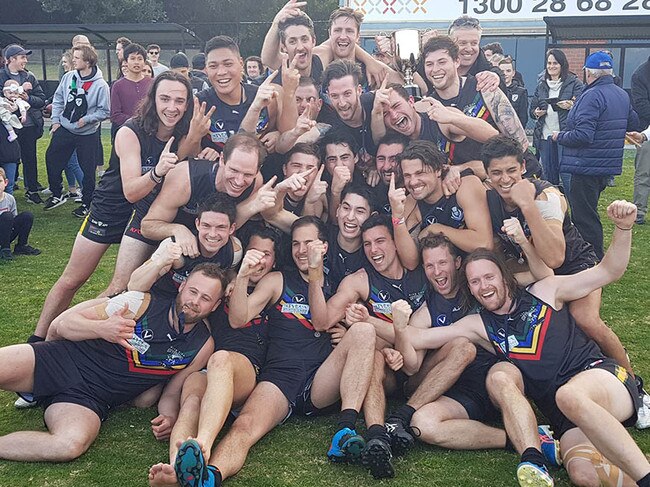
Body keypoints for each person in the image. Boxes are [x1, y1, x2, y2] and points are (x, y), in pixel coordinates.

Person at [394, 201, 650, 487]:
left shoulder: (545, 291)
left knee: (570, 395)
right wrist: (399, 324)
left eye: (489, 277)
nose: (483, 286)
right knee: (583, 474)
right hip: (563, 416)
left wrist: (623, 228)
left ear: (505, 277)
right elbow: (419, 337)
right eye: (475, 282)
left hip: (601, 378)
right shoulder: (479, 325)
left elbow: (608, 272)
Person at [170, 217, 378, 486]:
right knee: (245, 426)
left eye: (309, 243)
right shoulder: (278, 280)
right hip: (280, 377)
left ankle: (344, 430)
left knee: (363, 331)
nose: (302, 250)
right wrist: (242, 276)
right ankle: (210, 475)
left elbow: (322, 320)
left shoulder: (339, 282)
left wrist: (325, 291)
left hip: (322, 377)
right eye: (296, 244)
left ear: (324, 246)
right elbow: (238, 318)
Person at [481, 134, 649, 429]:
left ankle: (635, 388)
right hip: (535, 273)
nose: (504, 178)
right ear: (488, 174)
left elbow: (556, 256)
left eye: (510, 170)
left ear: (523, 167)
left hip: (575, 267)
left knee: (584, 318)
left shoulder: (547, 196)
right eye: (496, 172)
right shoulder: (490, 199)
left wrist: (527, 206)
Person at [29, 72, 194, 347]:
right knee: (72, 279)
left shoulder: (184, 134)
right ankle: (38, 338)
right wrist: (158, 171)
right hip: (111, 207)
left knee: (123, 288)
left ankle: (75, 335)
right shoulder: (131, 131)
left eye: (180, 100)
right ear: (152, 99)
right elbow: (130, 191)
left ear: (188, 104)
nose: (172, 107)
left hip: (148, 215)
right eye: (165, 98)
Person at [0, 263, 225, 462]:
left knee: (69, 445)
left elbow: (172, 392)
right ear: (182, 286)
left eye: (205, 298)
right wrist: (102, 329)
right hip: (59, 360)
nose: (194, 302)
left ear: (215, 306)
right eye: (193, 291)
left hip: (90, 397)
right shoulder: (141, 303)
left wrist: (168, 416)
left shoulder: (203, 345)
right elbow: (63, 325)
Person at [147, 225, 279, 487]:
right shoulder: (221, 285)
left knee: (220, 359)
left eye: (267, 254)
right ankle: (178, 469)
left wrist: (239, 278)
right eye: (254, 251)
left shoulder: (272, 284)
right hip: (211, 368)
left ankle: (202, 446)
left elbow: (240, 318)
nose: (259, 260)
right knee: (192, 395)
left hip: (242, 366)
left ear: (274, 260)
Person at [554, 51, 640, 260]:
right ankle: (590, 256)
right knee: (588, 212)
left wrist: (559, 136)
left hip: (584, 164)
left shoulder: (591, 95)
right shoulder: (621, 93)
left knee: (584, 217)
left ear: (588, 73)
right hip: (604, 166)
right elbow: (633, 124)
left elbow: (583, 135)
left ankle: (591, 259)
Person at [391, 140, 493, 269]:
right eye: (407, 176)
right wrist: (397, 217)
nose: (413, 182)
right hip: (445, 274)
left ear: (438, 170)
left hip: (483, 269)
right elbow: (411, 263)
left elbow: (484, 243)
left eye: (420, 173)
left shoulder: (464, 185)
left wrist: (436, 229)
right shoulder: (410, 204)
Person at [43, 44, 110, 216]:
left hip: (87, 133)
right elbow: (58, 99)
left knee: (88, 169)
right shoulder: (68, 77)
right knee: (51, 158)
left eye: (77, 58)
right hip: (65, 127)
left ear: (88, 61)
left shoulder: (101, 85)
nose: (73, 60)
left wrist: (86, 120)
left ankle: (87, 203)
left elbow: (104, 111)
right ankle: (57, 194)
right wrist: (56, 121)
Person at [0, 44, 47, 204]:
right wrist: (10, 97)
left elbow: (41, 99)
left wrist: (27, 98)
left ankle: (32, 190)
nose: (25, 61)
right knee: (7, 158)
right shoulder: (1, 76)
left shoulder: (30, 76)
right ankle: (6, 190)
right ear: (11, 59)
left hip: (28, 126)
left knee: (30, 158)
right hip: (6, 127)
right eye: (22, 57)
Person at [530, 49, 583, 189]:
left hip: (564, 135)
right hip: (544, 136)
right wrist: (536, 112)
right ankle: (552, 205)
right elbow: (532, 109)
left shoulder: (574, 83)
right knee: (547, 174)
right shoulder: (541, 85)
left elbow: (582, 105)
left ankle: (570, 205)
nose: (551, 66)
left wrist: (570, 105)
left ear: (562, 65)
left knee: (566, 174)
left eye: (555, 63)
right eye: (549, 63)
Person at [110, 43, 153, 140]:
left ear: (144, 61)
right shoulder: (117, 86)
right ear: (126, 62)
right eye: (132, 59)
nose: (136, 62)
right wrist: (135, 122)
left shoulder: (152, 83)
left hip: (150, 132)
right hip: (126, 133)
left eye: (140, 59)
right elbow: (115, 114)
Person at [0, 167, 40, 260]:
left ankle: (22, 245)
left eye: (0, 181)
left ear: (5, 182)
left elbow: (13, 220)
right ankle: (5, 249)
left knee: (27, 215)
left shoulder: (9, 198)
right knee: (7, 216)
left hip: (6, 232)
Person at [631, 52, 650, 225]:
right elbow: (640, 104)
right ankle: (639, 211)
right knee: (644, 173)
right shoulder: (641, 74)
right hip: (646, 131)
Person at [499, 56, 528, 129]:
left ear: (513, 73)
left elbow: (523, 117)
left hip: (514, 133)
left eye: (508, 71)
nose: (505, 74)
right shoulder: (492, 91)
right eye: (502, 71)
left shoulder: (521, 92)